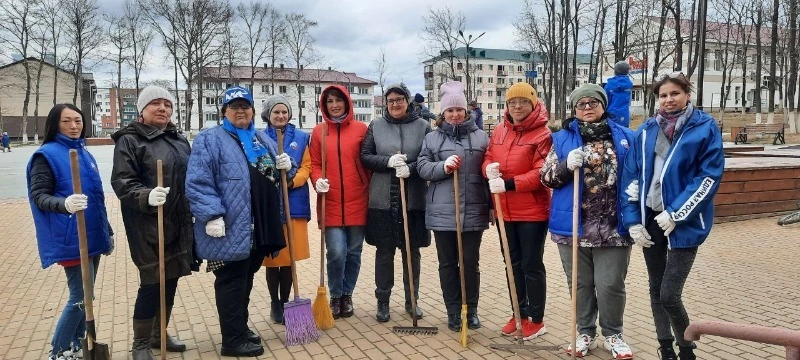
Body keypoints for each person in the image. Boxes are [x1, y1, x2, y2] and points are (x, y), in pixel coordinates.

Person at [620, 73, 724, 360]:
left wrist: (677, 213)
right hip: (652, 219)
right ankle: (665, 346)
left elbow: (708, 176)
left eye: (675, 93)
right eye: (663, 95)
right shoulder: (646, 130)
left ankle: (686, 348)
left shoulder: (704, 127)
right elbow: (631, 176)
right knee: (656, 288)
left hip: (684, 223)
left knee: (669, 294)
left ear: (687, 95)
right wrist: (633, 220)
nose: (668, 100)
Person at [185, 86, 295, 357]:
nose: (240, 111)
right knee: (231, 281)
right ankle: (232, 340)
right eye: (234, 107)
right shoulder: (210, 139)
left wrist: (286, 165)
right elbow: (198, 181)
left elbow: (278, 174)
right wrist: (211, 214)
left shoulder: (259, 138)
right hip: (229, 224)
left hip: (258, 225)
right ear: (224, 111)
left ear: (253, 111)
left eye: (245, 106)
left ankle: (240, 329)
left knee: (246, 278)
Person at [540, 83, 636, 359]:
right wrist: (565, 166)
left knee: (610, 284)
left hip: (613, 226)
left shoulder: (626, 137)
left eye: (593, 102)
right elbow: (546, 178)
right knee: (580, 284)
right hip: (573, 226)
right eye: (581, 104)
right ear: (574, 109)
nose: (587, 107)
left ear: (603, 106)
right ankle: (585, 332)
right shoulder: (561, 139)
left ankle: (613, 334)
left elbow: (638, 172)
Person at [111, 86, 196, 359]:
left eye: (167, 104)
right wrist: (146, 195)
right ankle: (140, 344)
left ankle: (159, 334)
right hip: (148, 224)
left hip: (178, 222)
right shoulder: (130, 141)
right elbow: (122, 181)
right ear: (142, 110)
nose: (162, 108)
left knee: (171, 279)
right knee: (151, 282)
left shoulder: (178, 139)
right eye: (155, 103)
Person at [27, 104, 113, 360]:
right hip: (71, 235)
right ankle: (58, 350)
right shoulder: (46, 156)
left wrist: (106, 229)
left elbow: (97, 199)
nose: (74, 126)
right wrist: (64, 204)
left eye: (78, 120)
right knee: (80, 297)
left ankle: (76, 344)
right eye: (67, 121)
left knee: (87, 295)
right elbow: (39, 196)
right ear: (55, 124)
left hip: (92, 233)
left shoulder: (84, 153)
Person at [417, 81, 489, 332]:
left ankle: (471, 309)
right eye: (450, 110)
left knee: (470, 263)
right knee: (447, 264)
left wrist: (492, 202)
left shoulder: (481, 137)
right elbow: (422, 167)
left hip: (474, 209)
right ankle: (453, 311)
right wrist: (443, 167)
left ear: (466, 111)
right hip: (442, 212)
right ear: (443, 113)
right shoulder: (432, 138)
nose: (455, 114)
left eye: (459, 109)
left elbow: (487, 170)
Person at [482, 82, 552, 340]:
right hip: (505, 210)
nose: (517, 106)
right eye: (512, 102)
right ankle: (518, 314)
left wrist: (509, 184)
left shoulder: (543, 134)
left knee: (531, 264)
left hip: (532, 211)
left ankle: (537, 319)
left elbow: (542, 172)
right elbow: (489, 155)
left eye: (523, 102)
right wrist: (488, 169)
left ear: (533, 104)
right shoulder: (500, 130)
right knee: (512, 264)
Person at [360, 83, 431, 323]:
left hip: (413, 199)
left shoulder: (423, 126)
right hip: (383, 200)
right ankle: (383, 301)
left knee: (412, 253)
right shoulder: (376, 125)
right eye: (391, 100)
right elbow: (365, 157)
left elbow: (428, 157)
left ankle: (412, 300)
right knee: (384, 252)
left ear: (407, 101)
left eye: (399, 99)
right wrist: (388, 162)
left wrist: (411, 168)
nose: (395, 104)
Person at [309, 84, 370, 319]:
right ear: (324, 105)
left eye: (338, 100)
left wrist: (367, 184)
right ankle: (335, 295)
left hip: (358, 198)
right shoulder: (319, 131)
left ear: (347, 102)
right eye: (330, 101)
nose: (334, 105)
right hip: (330, 199)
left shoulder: (361, 129)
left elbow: (367, 161)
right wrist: (317, 180)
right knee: (335, 251)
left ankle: (347, 294)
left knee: (354, 252)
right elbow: (315, 163)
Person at [260, 95, 311, 325]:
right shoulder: (259, 138)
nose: (281, 116)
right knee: (274, 259)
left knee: (289, 258)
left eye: (284, 112)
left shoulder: (301, 137)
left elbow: (307, 167)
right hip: (270, 205)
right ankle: (275, 303)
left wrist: (291, 181)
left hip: (295, 204)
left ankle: (286, 300)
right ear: (268, 115)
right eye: (276, 112)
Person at [604, 61, 634, 128]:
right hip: (625, 116)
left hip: (611, 116)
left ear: (615, 71)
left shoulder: (609, 85)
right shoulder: (629, 84)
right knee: (624, 133)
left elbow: (605, 101)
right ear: (627, 71)